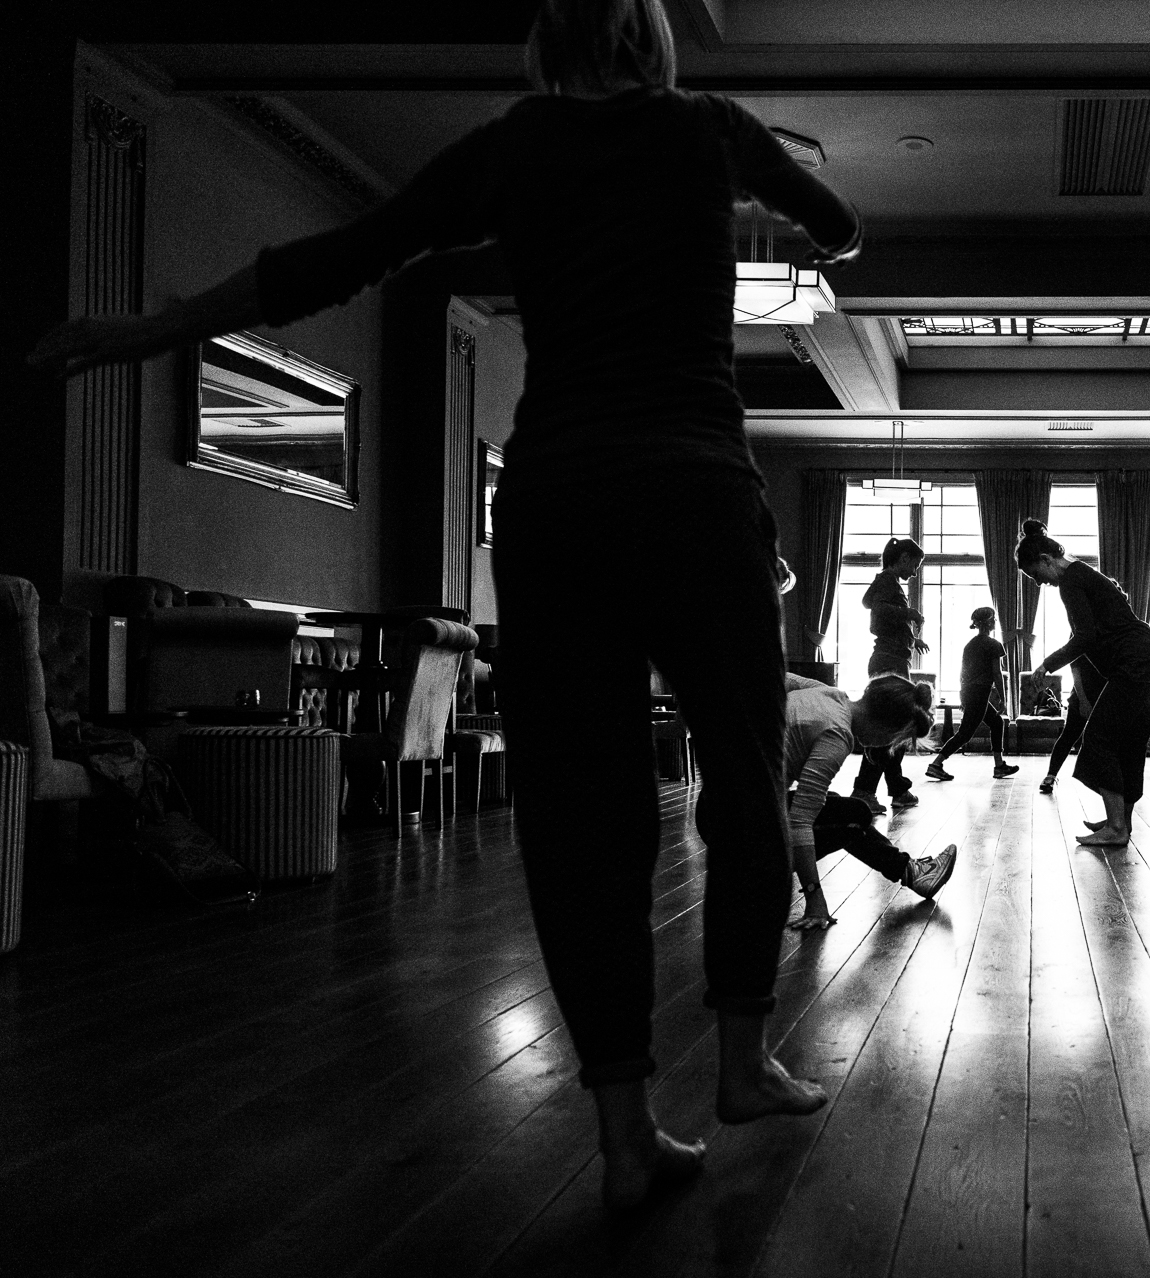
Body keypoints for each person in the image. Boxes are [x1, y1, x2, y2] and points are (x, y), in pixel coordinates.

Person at [32, 0, 864, 1212]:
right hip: (692, 490)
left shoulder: (511, 148)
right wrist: (796, 236)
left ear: (547, 44)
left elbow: (336, 259)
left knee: (583, 810)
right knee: (744, 774)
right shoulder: (706, 129)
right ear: (652, 41)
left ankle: (627, 1133)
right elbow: (834, 228)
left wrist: (152, 327)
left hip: (561, 503)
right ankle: (742, 1058)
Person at [1019, 520, 1150, 847]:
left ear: (1047, 560)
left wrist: (1047, 664)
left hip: (1137, 665)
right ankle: (1122, 823)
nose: (1039, 583)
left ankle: (1117, 828)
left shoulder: (1070, 581)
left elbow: (1085, 637)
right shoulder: (1084, 572)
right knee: (1129, 743)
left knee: (1099, 738)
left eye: (1036, 575)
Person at [783, 673, 957, 931]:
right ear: (887, 729)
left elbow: (777, 677)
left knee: (832, 803)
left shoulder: (827, 693)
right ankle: (912, 872)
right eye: (895, 742)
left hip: (722, 803)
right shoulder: (837, 734)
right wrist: (814, 897)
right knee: (854, 815)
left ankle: (911, 871)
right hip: (732, 824)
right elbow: (799, 821)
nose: (887, 747)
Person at [850, 538, 927, 813]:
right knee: (887, 726)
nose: (915, 572)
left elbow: (869, 604)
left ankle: (896, 789)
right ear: (904, 558)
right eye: (915, 565)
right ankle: (864, 792)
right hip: (890, 661)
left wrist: (911, 638)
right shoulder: (887, 581)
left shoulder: (885, 581)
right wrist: (910, 613)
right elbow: (879, 610)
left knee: (893, 726)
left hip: (890, 658)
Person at [926, 606, 1021, 782]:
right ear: (989, 622)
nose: (995, 622)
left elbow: (963, 673)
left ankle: (999, 766)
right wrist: (1003, 698)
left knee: (996, 722)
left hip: (971, 692)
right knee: (965, 734)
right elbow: (997, 674)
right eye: (993, 619)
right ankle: (936, 764)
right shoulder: (994, 645)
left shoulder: (970, 645)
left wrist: (963, 696)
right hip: (980, 693)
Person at [1039, 657, 1105, 795]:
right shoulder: (1081, 636)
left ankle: (1109, 786)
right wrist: (1083, 701)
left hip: (1105, 696)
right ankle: (1051, 775)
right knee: (1069, 736)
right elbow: (1075, 669)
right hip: (1082, 697)